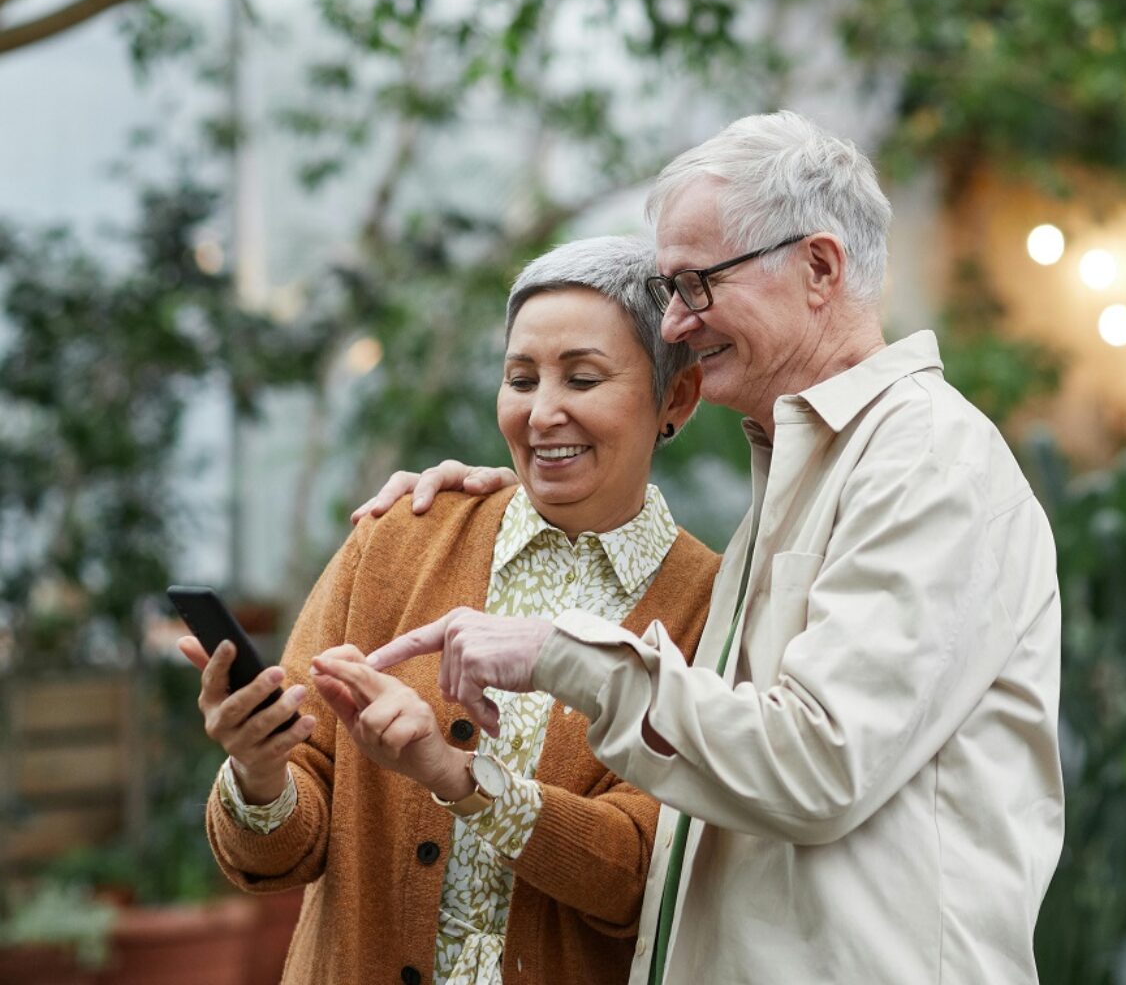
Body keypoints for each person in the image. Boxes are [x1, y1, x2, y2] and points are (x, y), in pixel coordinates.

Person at [358, 111, 1065, 984]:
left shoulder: (927, 459)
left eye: (695, 285)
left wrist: (558, 652)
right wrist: (528, 487)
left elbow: (816, 765)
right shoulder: (810, 466)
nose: (676, 326)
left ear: (818, 268)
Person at [177, 236, 720, 985]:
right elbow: (274, 855)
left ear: (677, 398)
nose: (543, 413)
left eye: (584, 378)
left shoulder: (711, 605)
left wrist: (455, 776)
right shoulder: (401, 537)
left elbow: (642, 876)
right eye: (520, 378)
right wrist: (260, 769)